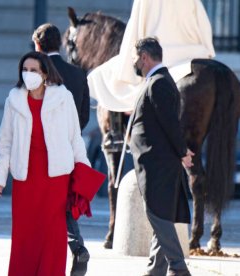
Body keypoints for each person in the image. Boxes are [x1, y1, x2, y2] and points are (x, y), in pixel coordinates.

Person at [0, 51, 90, 276]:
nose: (28, 74)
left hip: (56, 179)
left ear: (45, 73)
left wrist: (84, 171)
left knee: (52, 237)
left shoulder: (63, 97)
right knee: (24, 237)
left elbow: (75, 137)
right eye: (24, 70)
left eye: (33, 70)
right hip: (25, 179)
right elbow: (5, 142)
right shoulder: (13, 99)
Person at [129, 37, 194, 276]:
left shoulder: (158, 83)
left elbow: (171, 125)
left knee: (157, 216)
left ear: (144, 57)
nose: (134, 62)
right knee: (161, 215)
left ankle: (178, 268)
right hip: (156, 163)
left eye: (135, 57)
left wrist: (183, 153)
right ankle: (155, 271)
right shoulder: (157, 81)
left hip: (157, 164)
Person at [32, 23, 91, 276]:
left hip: (42, 151)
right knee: (64, 202)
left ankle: (70, 248)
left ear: (37, 45)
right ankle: (75, 246)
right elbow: (85, 115)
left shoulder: (36, 73)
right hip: (71, 147)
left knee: (43, 206)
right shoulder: (78, 74)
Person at [88, 0, 215, 112]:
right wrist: (206, 50)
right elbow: (203, 26)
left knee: (100, 77)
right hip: (194, 53)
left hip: (157, 54)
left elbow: (135, 32)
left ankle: (114, 135)